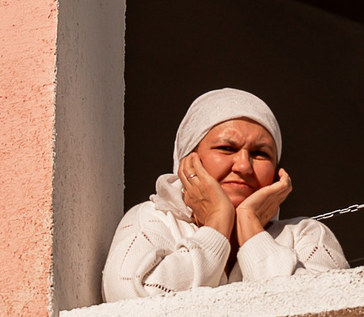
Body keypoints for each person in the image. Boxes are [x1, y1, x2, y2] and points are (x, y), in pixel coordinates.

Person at [101, 88, 348, 300]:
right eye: (226, 148)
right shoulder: (153, 220)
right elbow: (128, 296)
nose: (244, 166)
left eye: (260, 153)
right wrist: (218, 224)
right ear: (189, 160)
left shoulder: (306, 235)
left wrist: (251, 228)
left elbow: (328, 308)